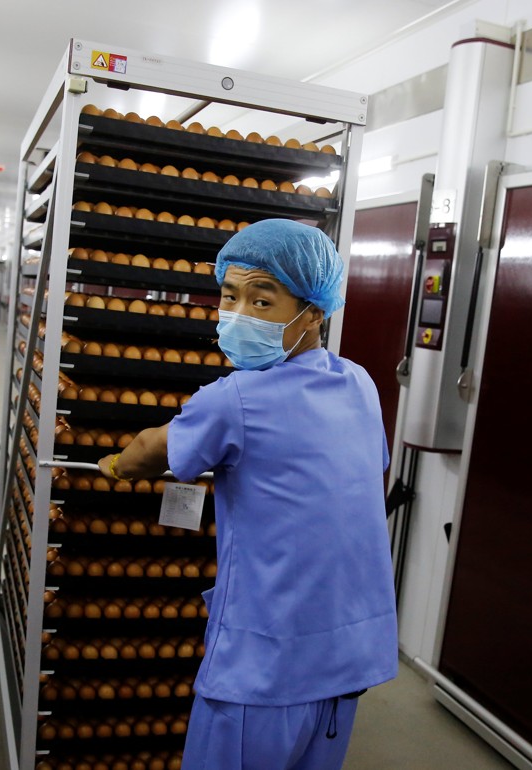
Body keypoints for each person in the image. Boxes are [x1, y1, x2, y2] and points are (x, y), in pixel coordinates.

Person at [96, 218, 398, 770]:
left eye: (262, 302)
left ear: (315, 311)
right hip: (346, 657)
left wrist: (116, 466)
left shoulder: (234, 398)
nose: (237, 316)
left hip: (266, 665)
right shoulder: (358, 382)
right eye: (229, 297)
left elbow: (149, 450)